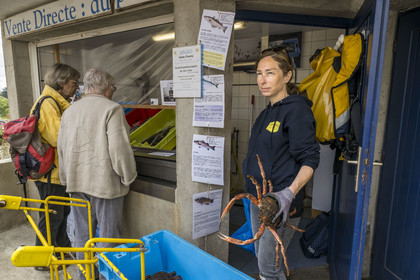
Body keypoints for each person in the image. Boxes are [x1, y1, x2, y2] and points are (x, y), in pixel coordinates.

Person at [242, 48, 320, 280]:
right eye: (259, 73)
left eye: (270, 73)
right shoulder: (266, 112)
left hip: (280, 204)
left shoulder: (297, 111)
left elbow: (311, 159)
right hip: (259, 200)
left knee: (269, 267)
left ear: (287, 76)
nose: (262, 80)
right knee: (262, 258)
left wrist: (288, 194)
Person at [57, 68, 137, 280]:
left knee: (83, 236)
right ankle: (105, 277)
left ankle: (86, 277)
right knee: (108, 238)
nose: (114, 92)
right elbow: (119, 149)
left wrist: (66, 179)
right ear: (107, 87)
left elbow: (61, 149)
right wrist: (128, 176)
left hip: (76, 183)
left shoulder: (70, 111)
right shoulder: (112, 109)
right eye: (114, 88)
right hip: (105, 186)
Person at [31, 63, 80, 271]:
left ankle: (61, 251)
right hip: (51, 174)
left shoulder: (55, 102)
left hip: (56, 172)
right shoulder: (49, 103)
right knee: (51, 216)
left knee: (60, 213)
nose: (76, 87)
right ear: (61, 82)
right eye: (73, 83)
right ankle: (42, 260)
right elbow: (60, 137)